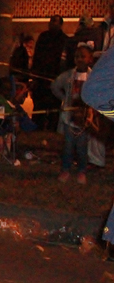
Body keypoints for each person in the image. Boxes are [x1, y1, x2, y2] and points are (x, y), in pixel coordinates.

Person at [52, 45, 96, 184]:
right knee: (68, 146)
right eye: (77, 57)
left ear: (90, 59)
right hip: (69, 119)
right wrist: (64, 100)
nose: (80, 59)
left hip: (85, 119)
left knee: (82, 148)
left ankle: (82, 171)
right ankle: (65, 169)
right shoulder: (68, 75)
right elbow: (55, 86)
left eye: (83, 56)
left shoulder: (93, 77)